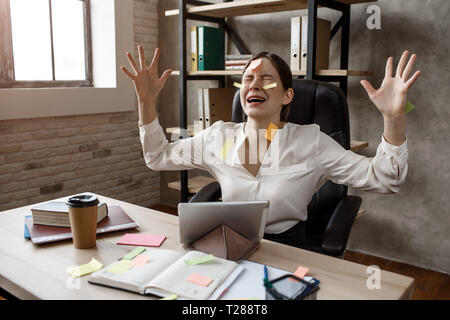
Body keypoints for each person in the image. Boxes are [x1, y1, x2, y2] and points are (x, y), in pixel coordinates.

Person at [121, 46, 420, 249]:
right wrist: (146, 102)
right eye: (248, 79)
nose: (254, 85)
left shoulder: (311, 141)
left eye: (266, 79)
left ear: (288, 96)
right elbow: (158, 157)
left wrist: (394, 119)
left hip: (289, 247)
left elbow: (385, 178)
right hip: (230, 243)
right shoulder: (217, 137)